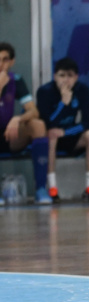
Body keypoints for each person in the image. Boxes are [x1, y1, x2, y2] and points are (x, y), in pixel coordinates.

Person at [35, 57, 89, 201]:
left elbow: (88, 122)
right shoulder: (45, 91)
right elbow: (47, 123)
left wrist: (66, 132)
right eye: (62, 75)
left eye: (70, 76)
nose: (66, 80)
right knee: (51, 135)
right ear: (54, 76)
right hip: (52, 136)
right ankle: (52, 187)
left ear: (76, 77)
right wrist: (63, 104)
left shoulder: (82, 90)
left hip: (70, 134)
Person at [0, 42, 49, 203]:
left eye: (5, 60)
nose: (1, 64)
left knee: (38, 125)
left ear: (12, 62)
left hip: (9, 134)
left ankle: (41, 188)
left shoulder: (16, 81)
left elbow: (33, 111)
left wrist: (17, 118)